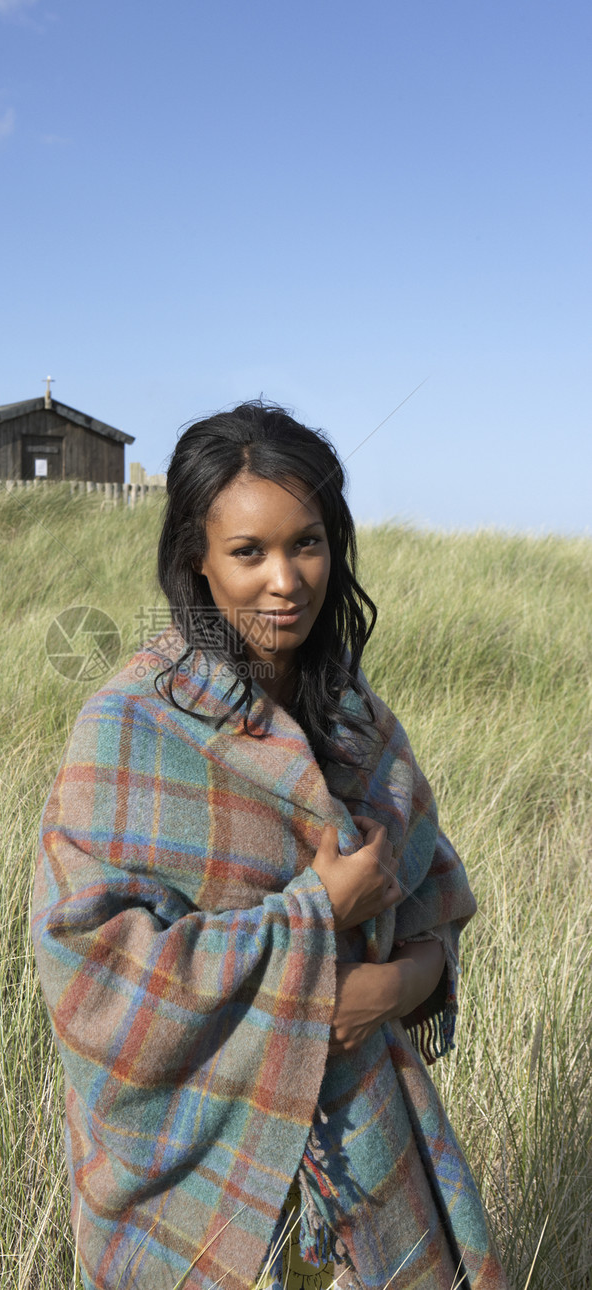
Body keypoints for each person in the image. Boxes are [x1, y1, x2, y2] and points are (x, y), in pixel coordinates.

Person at [32, 402, 508, 1289]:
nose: (285, 580)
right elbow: (91, 969)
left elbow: (434, 905)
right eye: (249, 552)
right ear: (196, 560)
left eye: (309, 543)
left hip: (364, 1159)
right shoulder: (133, 725)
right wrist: (318, 912)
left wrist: (387, 988)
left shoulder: (357, 719)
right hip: (211, 1186)